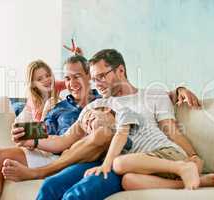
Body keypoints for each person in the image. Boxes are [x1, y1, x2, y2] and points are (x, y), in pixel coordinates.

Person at [36, 49, 204, 200]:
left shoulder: (153, 96)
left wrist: (194, 157)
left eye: (102, 76)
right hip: (100, 158)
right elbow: (61, 137)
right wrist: (31, 136)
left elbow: (172, 132)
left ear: (121, 71)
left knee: (78, 194)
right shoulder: (93, 104)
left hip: (128, 161)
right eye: (95, 79)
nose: (98, 84)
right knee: (49, 186)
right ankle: (42, 171)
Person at [0, 59, 64, 200]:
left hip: (52, 154)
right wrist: (20, 135)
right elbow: (19, 126)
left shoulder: (59, 99)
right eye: (40, 79)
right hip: (35, 150)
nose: (47, 80)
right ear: (33, 84)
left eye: (48, 75)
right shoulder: (33, 102)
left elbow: (49, 134)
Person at [82, 104, 214, 190]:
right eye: (86, 126)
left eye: (90, 116)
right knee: (127, 181)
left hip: (168, 153)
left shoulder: (123, 114)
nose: (88, 123)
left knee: (118, 164)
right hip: (155, 169)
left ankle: (182, 167)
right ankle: (187, 181)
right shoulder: (108, 143)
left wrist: (106, 165)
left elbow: (121, 135)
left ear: (106, 110)